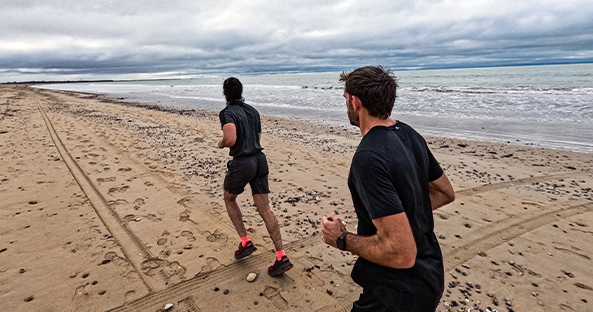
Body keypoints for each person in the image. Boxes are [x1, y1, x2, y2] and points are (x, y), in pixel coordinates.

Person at [321, 66, 455, 311]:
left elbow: (402, 254)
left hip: (396, 292)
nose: (346, 106)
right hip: (431, 277)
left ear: (355, 101)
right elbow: (444, 191)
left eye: (345, 99)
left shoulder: (368, 157)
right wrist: (402, 217)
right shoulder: (410, 134)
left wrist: (341, 239)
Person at [217, 77, 293, 277]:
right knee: (265, 209)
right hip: (260, 159)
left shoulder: (226, 113)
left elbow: (231, 138)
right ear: (241, 92)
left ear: (225, 94)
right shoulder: (252, 111)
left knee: (229, 198)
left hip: (243, 162)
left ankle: (245, 242)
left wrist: (222, 143)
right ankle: (281, 255)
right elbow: (258, 138)